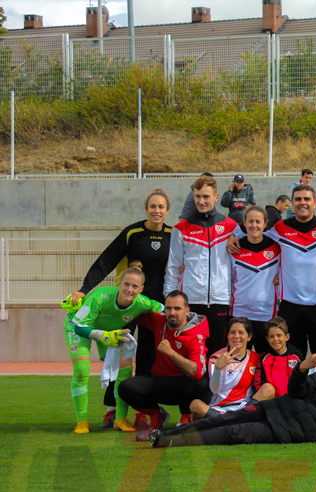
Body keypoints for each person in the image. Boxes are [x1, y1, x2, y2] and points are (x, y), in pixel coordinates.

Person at [140, 349, 316, 448]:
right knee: (227, 418)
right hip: (278, 406)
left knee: (235, 433)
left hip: (289, 430)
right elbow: (298, 391)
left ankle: (171, 443)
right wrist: (301, 370)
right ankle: (170, 434)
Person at [67, 189, 173, 386]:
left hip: (153, 306)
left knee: (149, 355)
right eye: (152, 206)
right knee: (118, 353)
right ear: (146, 209)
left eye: (160, 207)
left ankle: (143, 409)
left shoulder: (173, 235)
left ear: (167, 211)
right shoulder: (133, 233)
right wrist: (85, 288)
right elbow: (107, 260)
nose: (156, 210)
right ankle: (112, 409)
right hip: (127, 303)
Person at [63, 266, 163, 433]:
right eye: (126, 284)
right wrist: (104, 336)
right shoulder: (100, 297)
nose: (129, 289)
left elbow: (164, 308)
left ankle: (120, 419)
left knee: (126, 371)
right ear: (119, 284)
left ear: (141, 289)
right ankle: (82, 420)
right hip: (80, 327)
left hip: (109, 333)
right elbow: (79, 327)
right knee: (81, 371)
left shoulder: (142, 302)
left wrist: (189, 317)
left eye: (135, 286)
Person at [246, 184, 316, 356]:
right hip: (290, 305)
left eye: (306, 199)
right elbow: (254, 236)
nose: (302, 203)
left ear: (315, 202)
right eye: (298, 199)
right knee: (291, 359)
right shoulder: (280, 228)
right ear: (292, 204)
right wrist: (233, 236)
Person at [118, 290, 211, 431]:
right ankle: (158, 415)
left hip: (186, 387)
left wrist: (171, 353)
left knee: (202, 384)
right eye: (168, 308)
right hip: (162, 383)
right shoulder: (160, 321)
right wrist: (119, 298)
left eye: (177, 308)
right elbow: (133, 313)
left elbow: (197, 372)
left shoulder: (195, 334)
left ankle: (188, 415)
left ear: (187, 311)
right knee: (125, 388)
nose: (172, 312)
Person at [165, 176, 237, 355]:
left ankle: (215, 385)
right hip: (191, 301)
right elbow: (173, 267)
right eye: (197, 196)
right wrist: (169, 298)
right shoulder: (181, 228)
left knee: (218, 354)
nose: (201, 201)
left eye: (206, 196)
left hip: (221, 300)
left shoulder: (231, 226)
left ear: (216, 197)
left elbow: (241, 264)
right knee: (191, 354)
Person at [188, 317, 267, 420]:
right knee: (195, 405)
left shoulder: (257, 358)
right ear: (228, 335)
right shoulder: (216, 357)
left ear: (249, 337)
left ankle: (230, 422)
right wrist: (218, 368)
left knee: (268, 388)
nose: (236, 336)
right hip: (220, 409)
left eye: (241, 332)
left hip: (244, 408)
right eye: (232, 332)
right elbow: (215, 390)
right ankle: (233, 421)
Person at [228, 206, 280, 354]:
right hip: (239, 313)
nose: (254, 225)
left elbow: (288, 271)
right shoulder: (234, 248)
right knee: (238, 361)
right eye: (250, 221)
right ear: (244, 222)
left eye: (258, 221)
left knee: (266, 361)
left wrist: (280, 280)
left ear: (265, 224)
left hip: (267, 314)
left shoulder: (277, 247)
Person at [257, 317, 304, 398]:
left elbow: (303, 381)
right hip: (271, 401)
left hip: (292, 400)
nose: (275, 339)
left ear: (287, 337)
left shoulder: (297, 356)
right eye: (271, 336)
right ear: (267, 339)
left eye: (279, 335)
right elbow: (258, 383)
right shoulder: (263, 358)